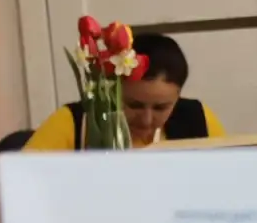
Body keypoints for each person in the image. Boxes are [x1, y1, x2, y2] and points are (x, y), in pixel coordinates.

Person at [23, 33, 225, 150]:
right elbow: (20, 185)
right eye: (134, 105)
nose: (146, 120)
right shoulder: (75, 122)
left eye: (161, 108)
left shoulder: (199, 120)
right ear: (113, 90)